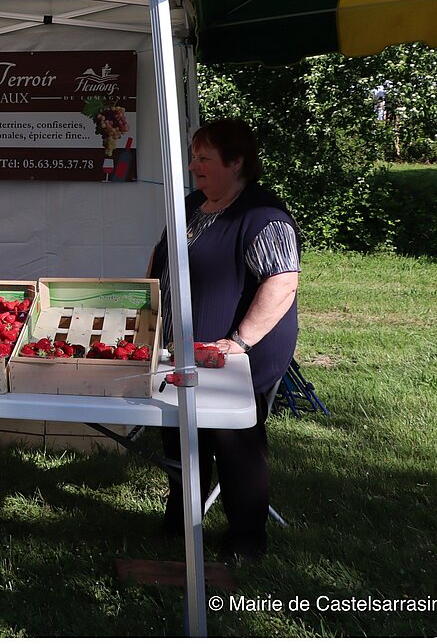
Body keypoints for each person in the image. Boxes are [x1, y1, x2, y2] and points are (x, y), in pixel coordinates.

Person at [149, 118, 300, 562]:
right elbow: (161, 259)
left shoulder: (262, 215)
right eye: (193, 157)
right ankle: (182, 522)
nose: (194, 166)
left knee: (234, 441)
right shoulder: (193, 204)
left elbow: (282, 283)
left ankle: (246, 539)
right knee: (182, 432)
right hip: (185, 351)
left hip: (237, 356)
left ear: (236, 162)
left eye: (204, 158)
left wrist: (239, 342)